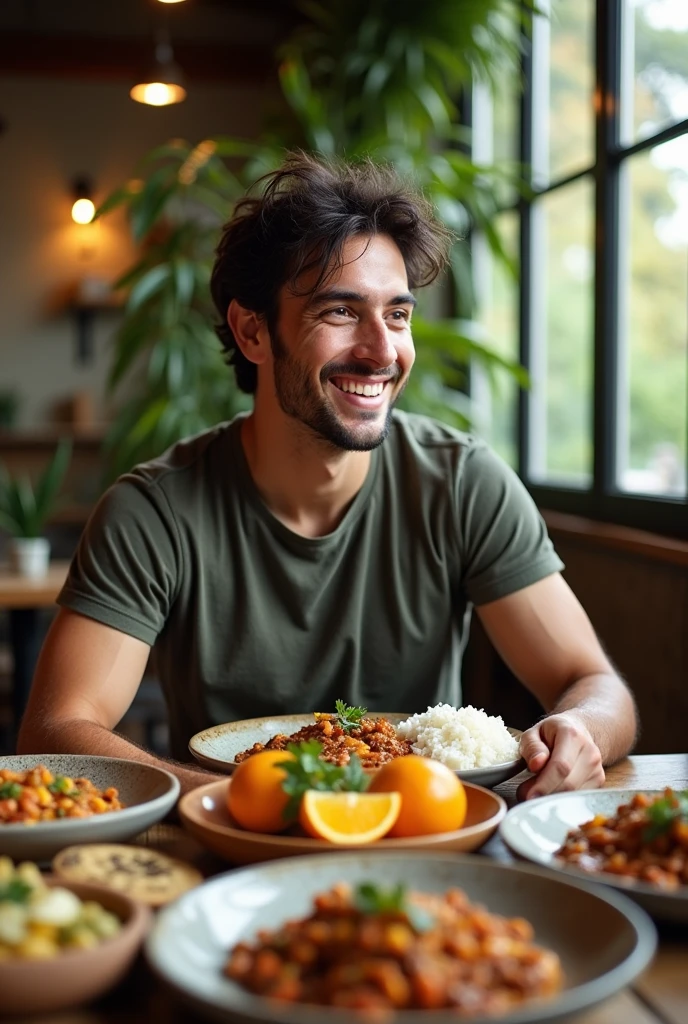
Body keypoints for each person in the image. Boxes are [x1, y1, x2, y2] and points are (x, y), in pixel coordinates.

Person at [18, 153, 637, 798]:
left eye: (397, 315)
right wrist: (241, 805)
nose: (381, 350)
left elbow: (593, 681)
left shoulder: (462, 483)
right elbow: (58, 730)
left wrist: (579, 730)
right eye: (340, 312)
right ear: (252, 330)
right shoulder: (155, 512)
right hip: (232, 864)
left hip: (430, 843)